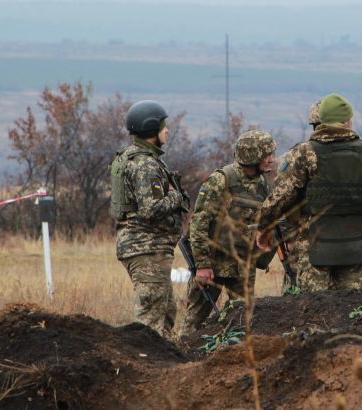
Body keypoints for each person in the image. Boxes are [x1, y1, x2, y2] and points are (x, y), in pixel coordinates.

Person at [256, 93, 362, 292]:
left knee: (314, 311)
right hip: (355, 244)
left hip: (316, 247)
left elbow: (280, 196)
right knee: (353, 311)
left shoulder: (305, 152)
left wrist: (264, 227)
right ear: (347, 120)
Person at [179, 130, 276, 337]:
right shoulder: (221, 180)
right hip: (214, 265)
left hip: (242, 267)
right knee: (194, 322)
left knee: (243, 323)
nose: (271, 159)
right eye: (267, 154)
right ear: (253, 155)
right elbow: (198, 223)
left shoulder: (262, 185)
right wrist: (203, 265)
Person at [109, 100, 188, 337]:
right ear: (153, 129)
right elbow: (150, 209)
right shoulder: (145, 164)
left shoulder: (133, 158)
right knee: (150, 320)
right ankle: (143, 367)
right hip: (146, 248)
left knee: (166, 314)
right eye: (164, 126)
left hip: (145, 247)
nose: (168, 130)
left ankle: (164, 367)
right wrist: (177, 196)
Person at [277, 99, 322, 295]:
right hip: (348, 239)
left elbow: (280, 201)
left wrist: (289, 238)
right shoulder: (358, 151)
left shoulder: (296, 156)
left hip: (303, 241)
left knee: (297, 302)